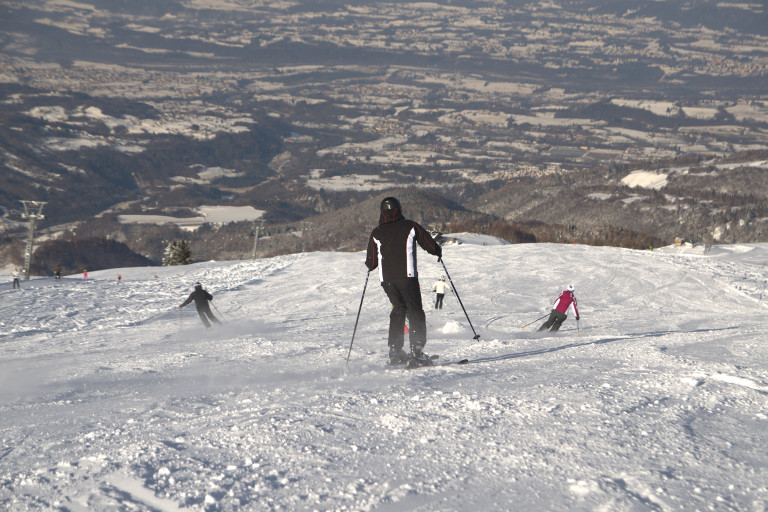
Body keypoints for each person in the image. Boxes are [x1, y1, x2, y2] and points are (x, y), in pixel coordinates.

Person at [365, 197, 442, 366]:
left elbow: (371, 263)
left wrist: (370, 265)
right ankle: (417, 351)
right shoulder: (409, 226)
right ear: (398, 209)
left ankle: (395, 351)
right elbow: (429, 244)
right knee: (415, 310)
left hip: (387, 281)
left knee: (398, 310)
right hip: (407, 277)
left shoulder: (377, 232)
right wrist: (437, 251)